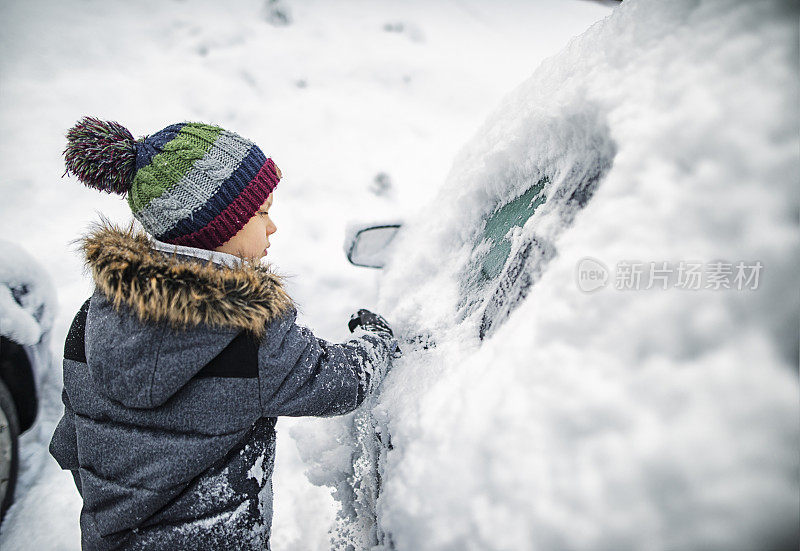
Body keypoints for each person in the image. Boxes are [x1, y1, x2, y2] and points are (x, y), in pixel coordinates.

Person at [49, 117, 401, 550]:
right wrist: (378, 339)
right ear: (219, 227)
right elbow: (340, 382)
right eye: (262, 213)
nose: (273, 227)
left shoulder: (90, 320)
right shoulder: (246, 334)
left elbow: (69, 443)